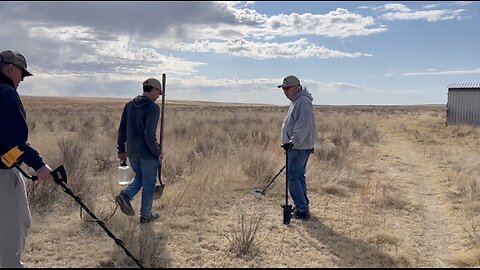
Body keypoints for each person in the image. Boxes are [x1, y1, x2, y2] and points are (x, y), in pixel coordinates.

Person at [0, 50, 54, 267]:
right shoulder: (6, 93)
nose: (22, 80)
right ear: (10, 68)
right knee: (15, 224)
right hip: (2, 174)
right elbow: (13, 141)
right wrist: (39, 166)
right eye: (22, 74)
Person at [116, 78, 163, 224]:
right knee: (149, 183)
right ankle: (145, 215)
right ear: (154, 89)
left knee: (140, 177)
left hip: (132, 152)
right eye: (159, 93)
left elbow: (122, 129)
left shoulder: (129, 105)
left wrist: (121, 149)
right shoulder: (153, 108)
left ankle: (126, 196)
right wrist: (157, 151)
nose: (158, 96)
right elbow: (149, 134)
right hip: (147, 153)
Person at [278, 75, 316, 220]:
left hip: (298, 147)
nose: (285, 91)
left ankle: (301, 210)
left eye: (287, 88)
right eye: (283, 89)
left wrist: (293, 141)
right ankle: (302, 206)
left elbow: (303, 125)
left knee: (293, 176)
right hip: (297, 146)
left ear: (297, 87)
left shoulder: (302, 102)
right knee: (298, 176)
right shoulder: (297, 101)